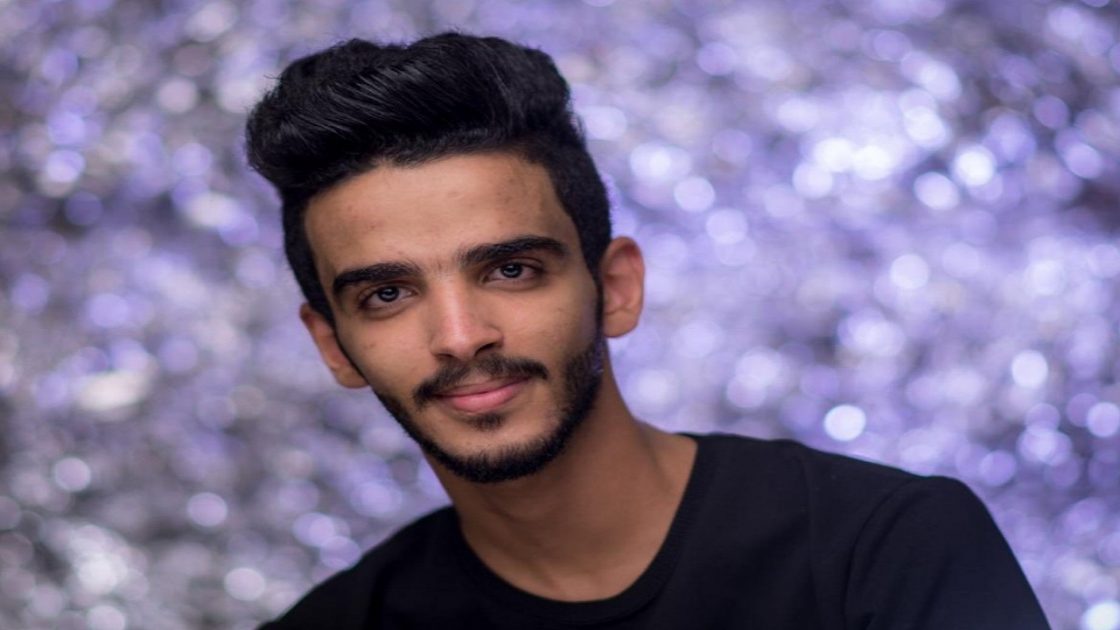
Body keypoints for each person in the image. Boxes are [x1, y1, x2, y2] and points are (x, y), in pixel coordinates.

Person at [245, 32, 1049, 629]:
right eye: (388, 294)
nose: (460, 336)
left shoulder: (884, 548)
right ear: (333, 344)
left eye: (511, 270)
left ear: (617, 288)